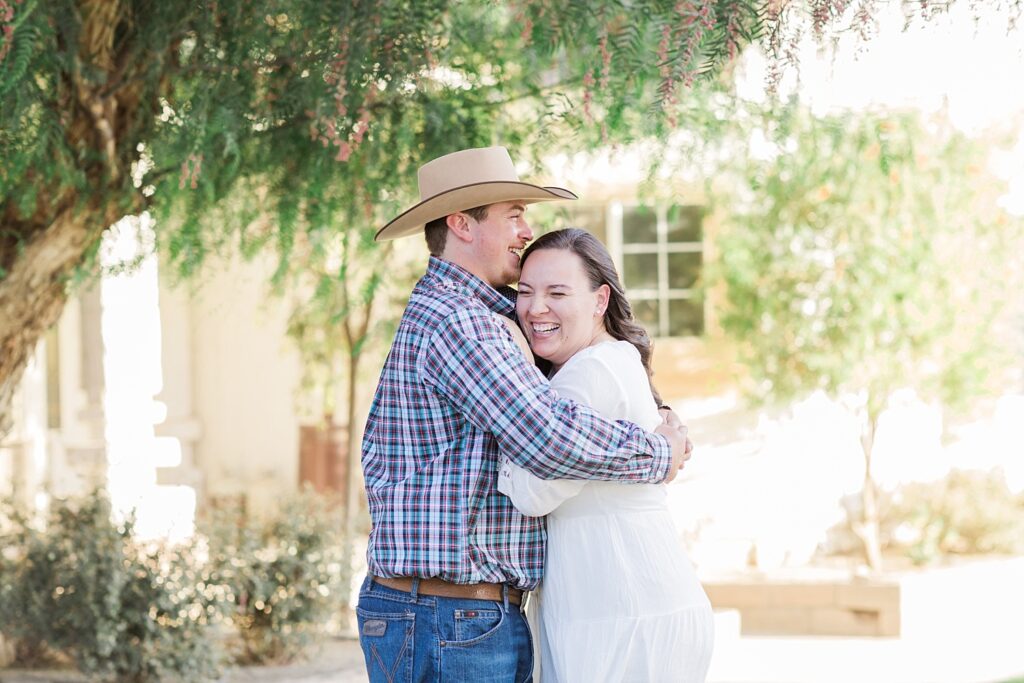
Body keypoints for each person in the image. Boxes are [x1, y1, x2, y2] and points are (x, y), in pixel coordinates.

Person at [357, 146, 692, 682]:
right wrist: (659, 452)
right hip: (449, 616)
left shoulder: (491, 313)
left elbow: (580, 372)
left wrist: (654, 407)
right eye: (513, 215)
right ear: (461, 224)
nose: (525, 229)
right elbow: (547, 436)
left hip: (448, 613)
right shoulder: (461, 323)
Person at [498, 228, 715, 683]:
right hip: (626, 601)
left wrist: (517, 374)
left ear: (600, 301)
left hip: (621, 608)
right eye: (526, 292)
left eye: (557, 292)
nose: (535, 308)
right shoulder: (607, 360)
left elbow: (532, 494)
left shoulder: (591, 370)